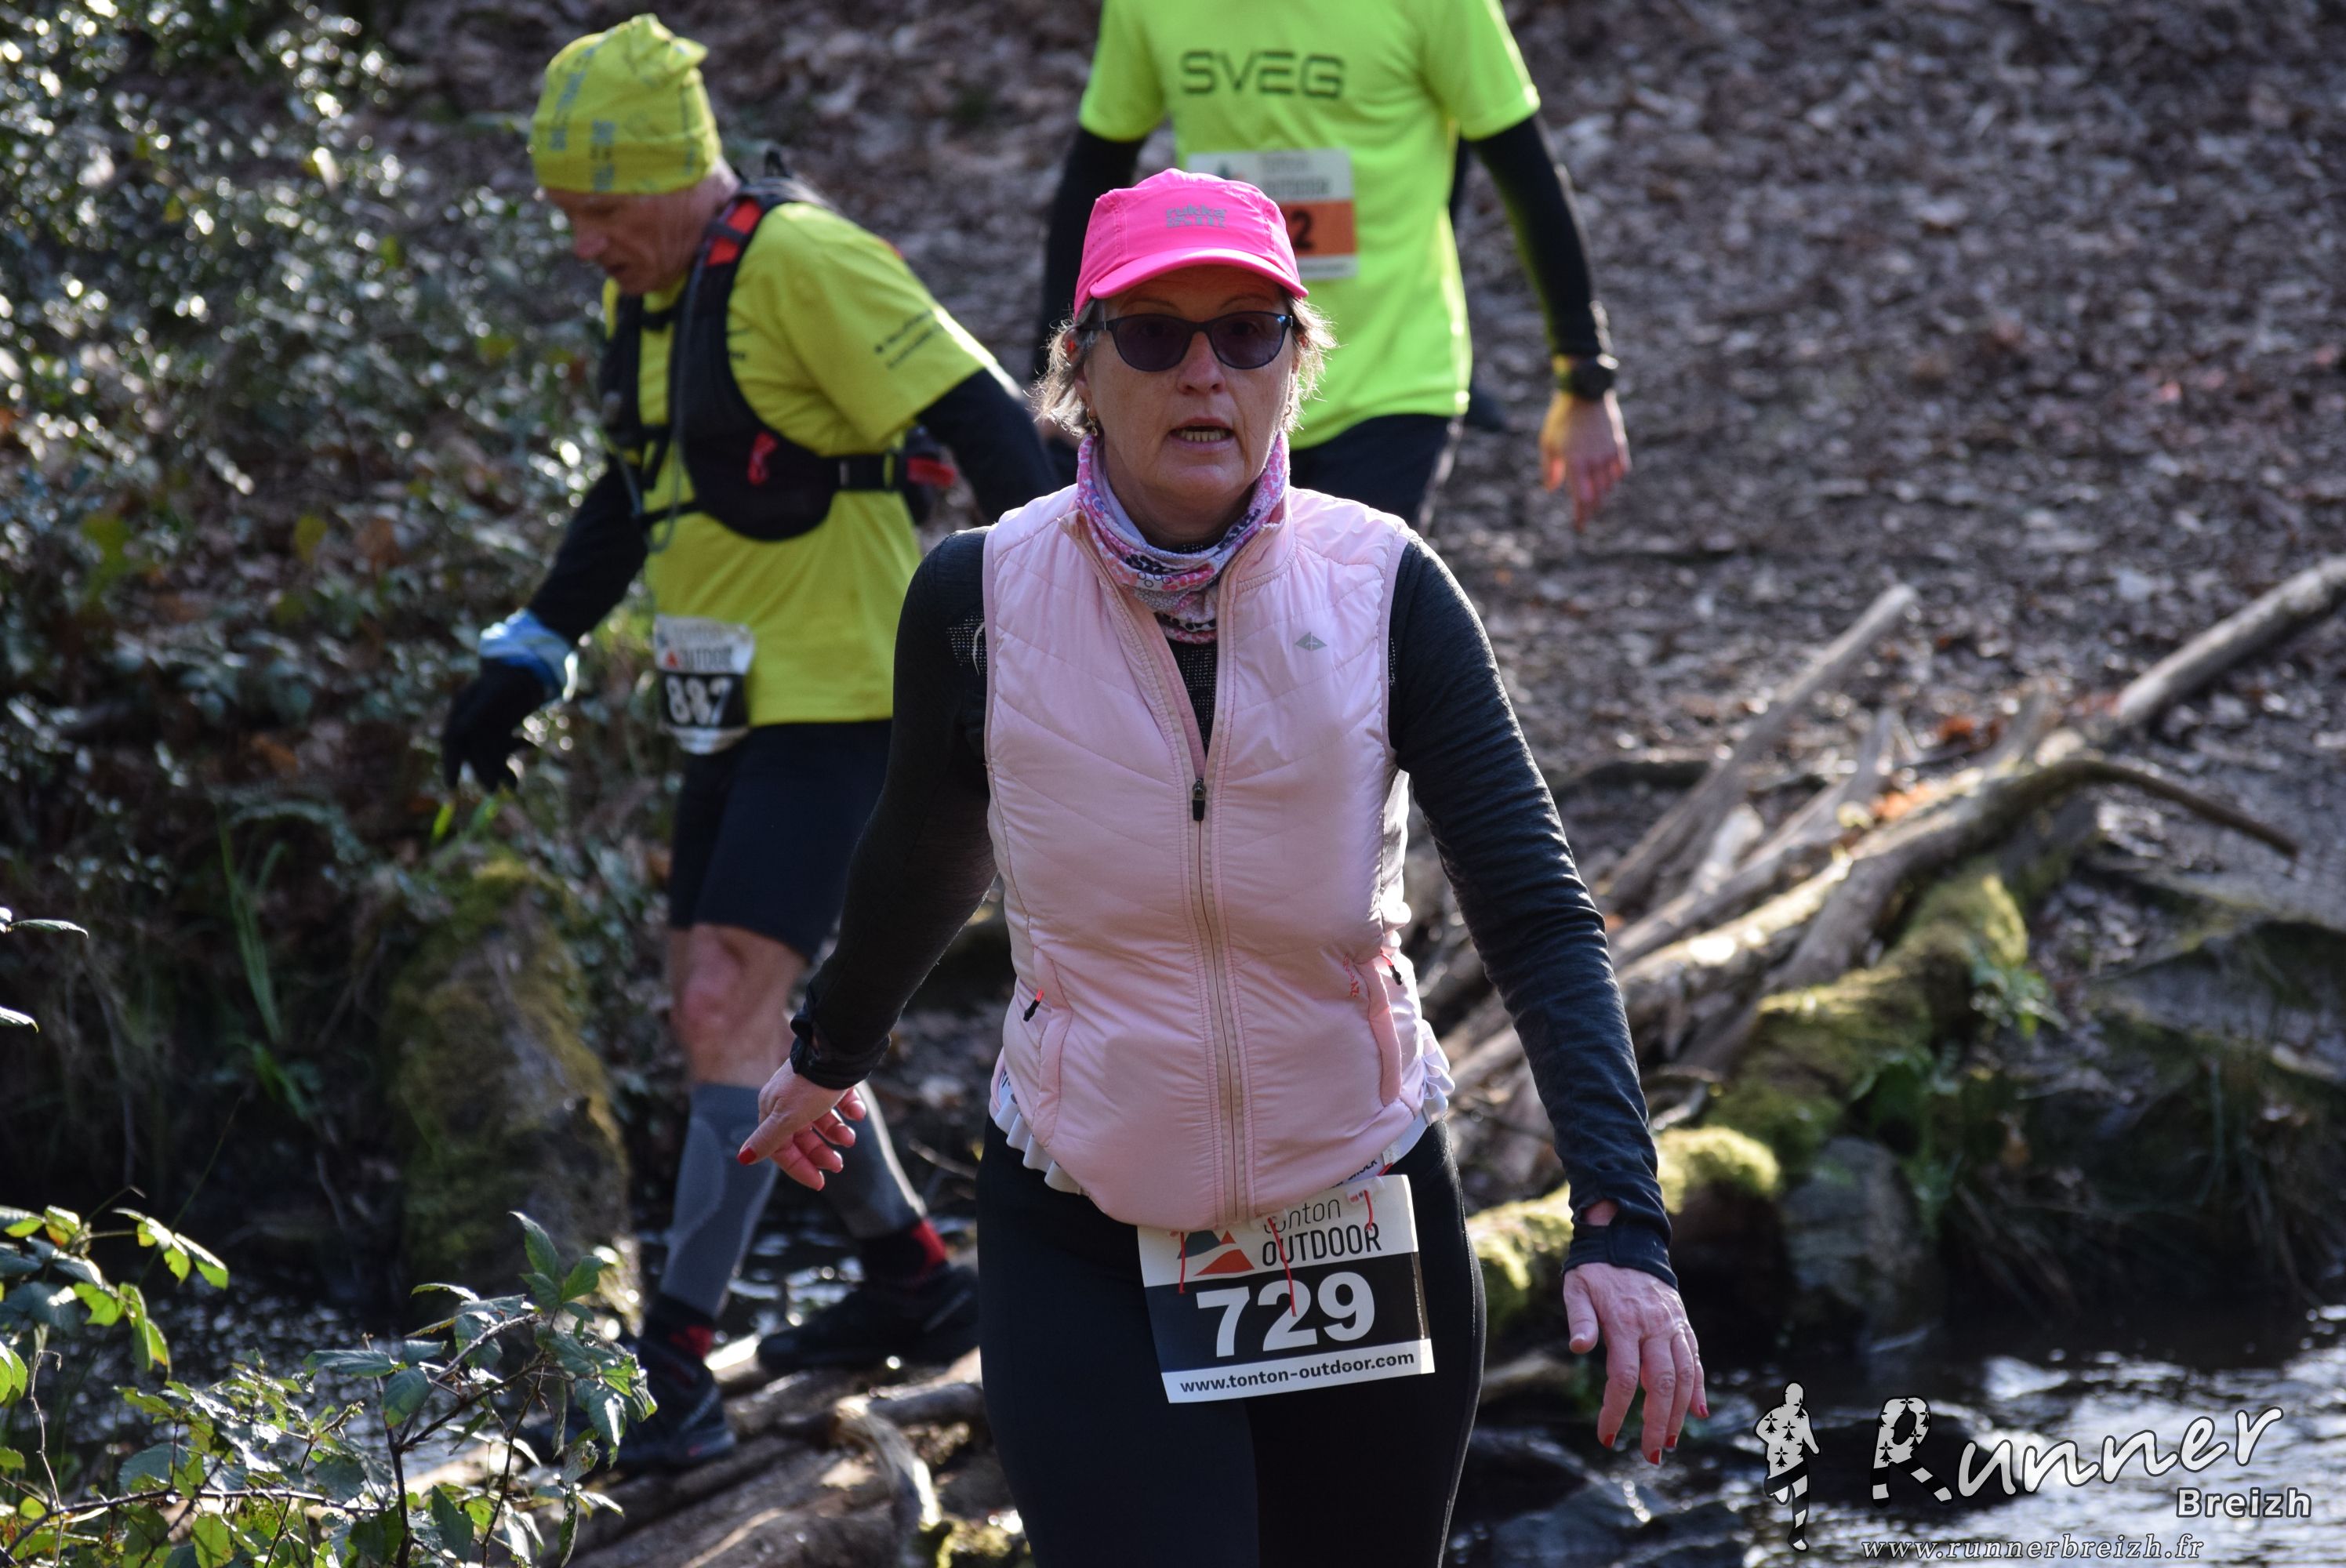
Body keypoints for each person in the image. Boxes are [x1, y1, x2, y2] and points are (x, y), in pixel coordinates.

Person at [745, 169, 1700, 1566]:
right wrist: (831, 1050)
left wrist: (1618, 1220)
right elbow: (924, 845)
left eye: (1249, 334)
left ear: (1293, 369)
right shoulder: (978, 597)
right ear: (1079, 370)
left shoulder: (1384, 587)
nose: (1205, 373)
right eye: (1155, 334)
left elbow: (1537, 913)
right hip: (1083, 1220)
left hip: (1356, 1212)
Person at [438, 14, 1055, 1471]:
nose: (582, 241)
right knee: (720, 1014)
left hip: (857, 700)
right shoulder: (653, 301)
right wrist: (533, 645)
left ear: (675, 173)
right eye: (565, 213)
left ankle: (673, 1369)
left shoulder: (806, 264)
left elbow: (992, 423)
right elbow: (635, 488)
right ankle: (911, 1274)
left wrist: (1062, 628)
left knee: (727, 1004)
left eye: (601, 210)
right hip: (728, 711)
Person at [1033, 0, 1631, 532]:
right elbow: (1095, 170)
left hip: (1389, 378)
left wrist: (1583, 373)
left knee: (1341, 614)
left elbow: (1525, 173)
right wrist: (1057, 378)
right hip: (1217, 375)